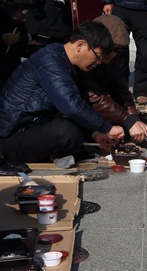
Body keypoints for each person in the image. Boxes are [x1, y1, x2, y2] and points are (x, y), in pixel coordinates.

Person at [0, 21, 125, 168]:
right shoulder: (50, 61)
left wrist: (95, 133)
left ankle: (60, 153)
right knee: (66, 133)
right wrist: (107, 128)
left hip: (32, 127)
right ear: (80, 45)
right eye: (97, 56)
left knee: (83, 136)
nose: (98, 62)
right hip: (11, 137)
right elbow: (70, 105)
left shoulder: (62, 59)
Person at [78, 15, 147, 141]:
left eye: (118, 50)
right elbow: (94, 98)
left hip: (97, 109)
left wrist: (133, 118)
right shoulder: (84, 59)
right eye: (112, 49)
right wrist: (128, 120)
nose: (114, 54)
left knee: (129, 127)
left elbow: (120, 89)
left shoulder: (111, 59)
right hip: (81, 112)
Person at [0, 0, 36, 88]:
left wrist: (27, 46)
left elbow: (21, 48)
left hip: (12, 70)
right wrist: (2, 39)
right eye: (24, 12)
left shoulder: (20, 24)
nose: (26, 17)